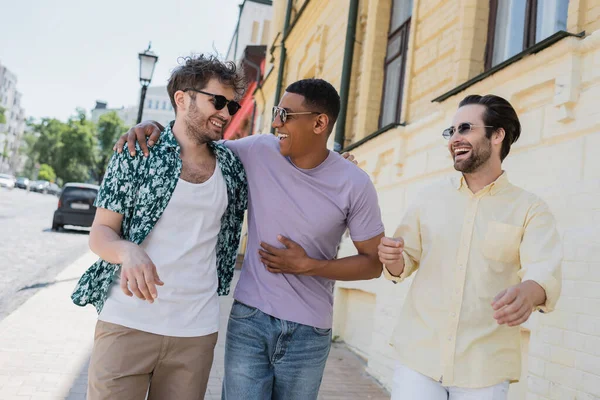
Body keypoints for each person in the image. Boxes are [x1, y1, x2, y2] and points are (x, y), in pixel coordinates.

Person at [117, 78, 385, 399]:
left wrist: (309, 265)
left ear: (319, 123)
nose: (275, 122)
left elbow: (373, 264)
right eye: (276, 112)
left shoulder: (354, 183)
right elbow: (196, 144)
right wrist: (154, 126)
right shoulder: (259, 150)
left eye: (285, 115)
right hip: (250, 320)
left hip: (309, 331)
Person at [71, 54, 248, 400]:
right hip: (127, 323)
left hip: (195, 333)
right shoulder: (137, 152)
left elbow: (287, 161)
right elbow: (101, 232)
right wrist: (127, 250)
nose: (227, 113)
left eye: (233, 105)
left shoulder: (233, 166)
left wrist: (337, 164)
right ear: (182, 99)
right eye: (218, 101)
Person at [377, 94, 562, 400]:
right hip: (419, 358)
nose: (454, 139)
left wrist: (528, 293)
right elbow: (402, 265)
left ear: (498, 135)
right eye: (451, 132)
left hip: (485, 366)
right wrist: (392, 257)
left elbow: (544, 269)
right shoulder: (428, 198)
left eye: (465, 129)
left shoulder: (530, 209)